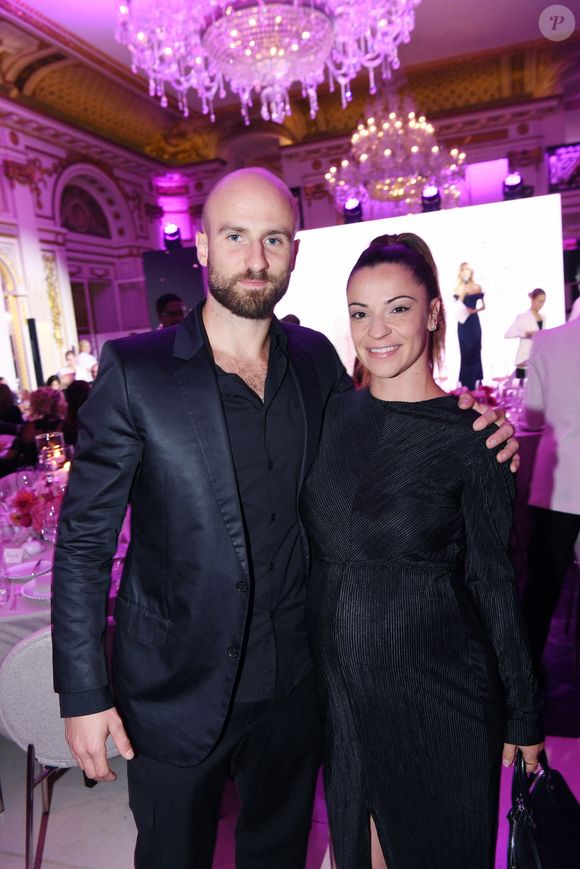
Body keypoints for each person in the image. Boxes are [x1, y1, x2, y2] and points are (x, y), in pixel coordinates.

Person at [52, 169, 518, 869]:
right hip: (176, 689)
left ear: (294, 253)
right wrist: (84, 692)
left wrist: (469, 422)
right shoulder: (135, 371)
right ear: (203, 247)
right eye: (236, 237)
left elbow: (383, 427)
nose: (256, 257)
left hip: (297, 689)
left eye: (273, 238)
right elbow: (84, 542)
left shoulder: (315, 360)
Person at [301, 233, 542, 869]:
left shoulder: (474, 441)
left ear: (434, 312)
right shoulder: (325, 418)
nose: (376, 330)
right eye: (360, 312)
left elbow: (493, 583)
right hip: (347, 693)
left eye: (398, 307)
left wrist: (523, 713)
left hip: (441, 701)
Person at [521, 316, 580, 679]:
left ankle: (527, 676)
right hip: (558, 482)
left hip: (560, 480)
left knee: (542, 587)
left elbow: (533, 416)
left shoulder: (547, 341)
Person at [453, 261, 484, 389]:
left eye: (468, 270)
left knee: (476, 349)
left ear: (471, 272)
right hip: (462, 323)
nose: (466, 272)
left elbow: (484, 306)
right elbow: (457, 306)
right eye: (463, 270)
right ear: (460, 272)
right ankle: (465, 381)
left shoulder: (477, 287)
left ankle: (477, 379)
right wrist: (463, 293)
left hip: (474, 322)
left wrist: (474, 311)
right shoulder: (458, 288)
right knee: (465, 350)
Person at [504, 288, 546, 378]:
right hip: (524, 362)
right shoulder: (523, 317)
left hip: (537, 363)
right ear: (532, 299)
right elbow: (508, 334)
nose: (541, 305)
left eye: (543, 302)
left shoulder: (543, 318)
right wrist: (526, 334)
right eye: (539, 301)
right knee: (522, 390)